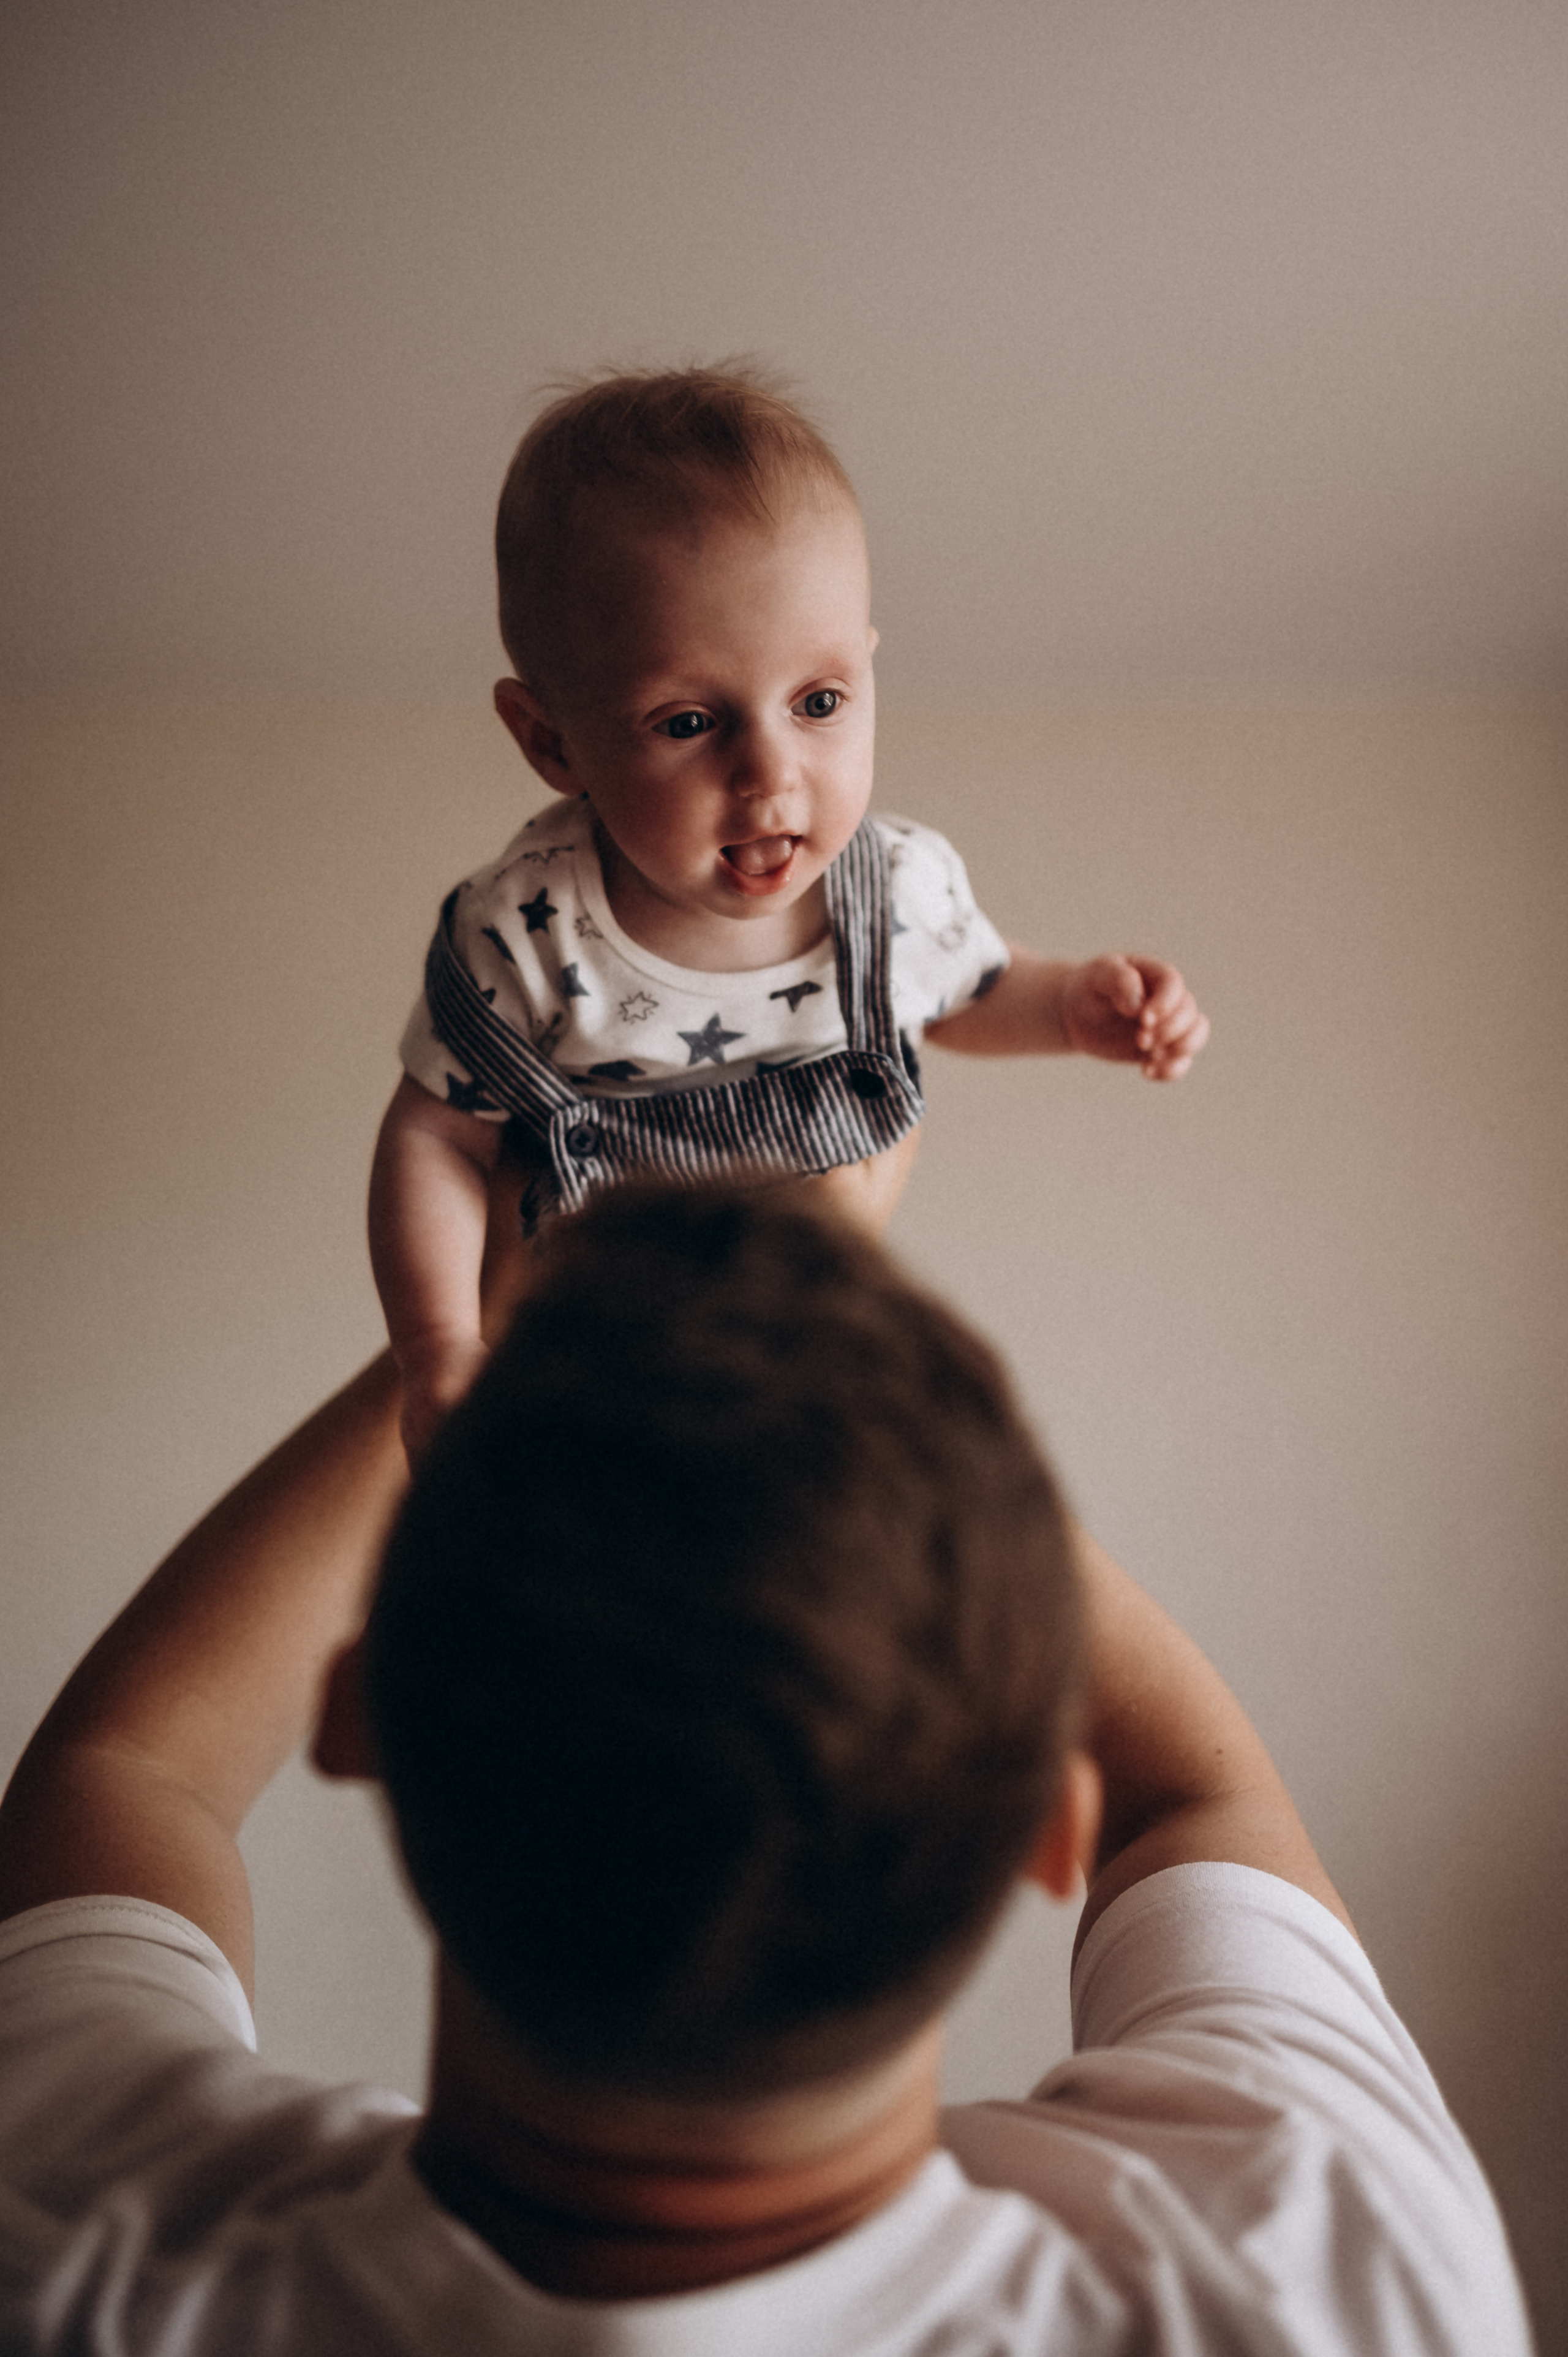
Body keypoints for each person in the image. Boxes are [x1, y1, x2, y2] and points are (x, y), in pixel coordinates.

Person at [0, 1182, 1531, 2351]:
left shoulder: (76, 2248)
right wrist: (825, 1320)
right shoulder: (1331, 2279)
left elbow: (133, 1767)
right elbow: (1196, 1794)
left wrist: (509, 1307)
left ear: (359, 1725)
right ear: (1043, 1832)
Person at [371, 365, 1211, 1453]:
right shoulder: (529, 936)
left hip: (802, 1346)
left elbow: (973, 990)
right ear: (551, 741)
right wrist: (439, 1349)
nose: (771, 775)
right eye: (685, 723)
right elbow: (434, 1141)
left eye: (819, 704)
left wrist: (1072, 1008)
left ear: (867, 673)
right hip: (587, 1355)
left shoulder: (891, 890)